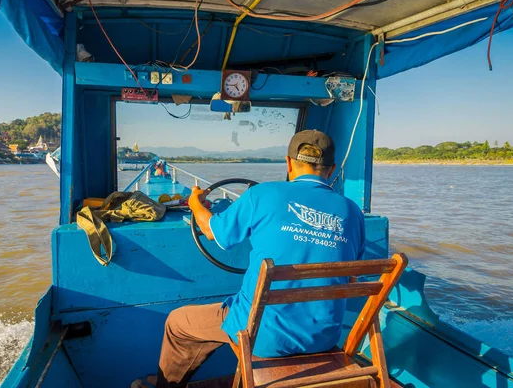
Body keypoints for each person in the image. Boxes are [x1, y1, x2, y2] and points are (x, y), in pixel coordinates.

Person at [155, 130, 366, 388]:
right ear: (332, 169)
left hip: (261, 337)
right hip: (323, 336)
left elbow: (212, 232)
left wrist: (196, 204)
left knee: (179, 324)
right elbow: (352, 272)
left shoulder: (261, 195)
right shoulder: (352, 212)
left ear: (288, 163)